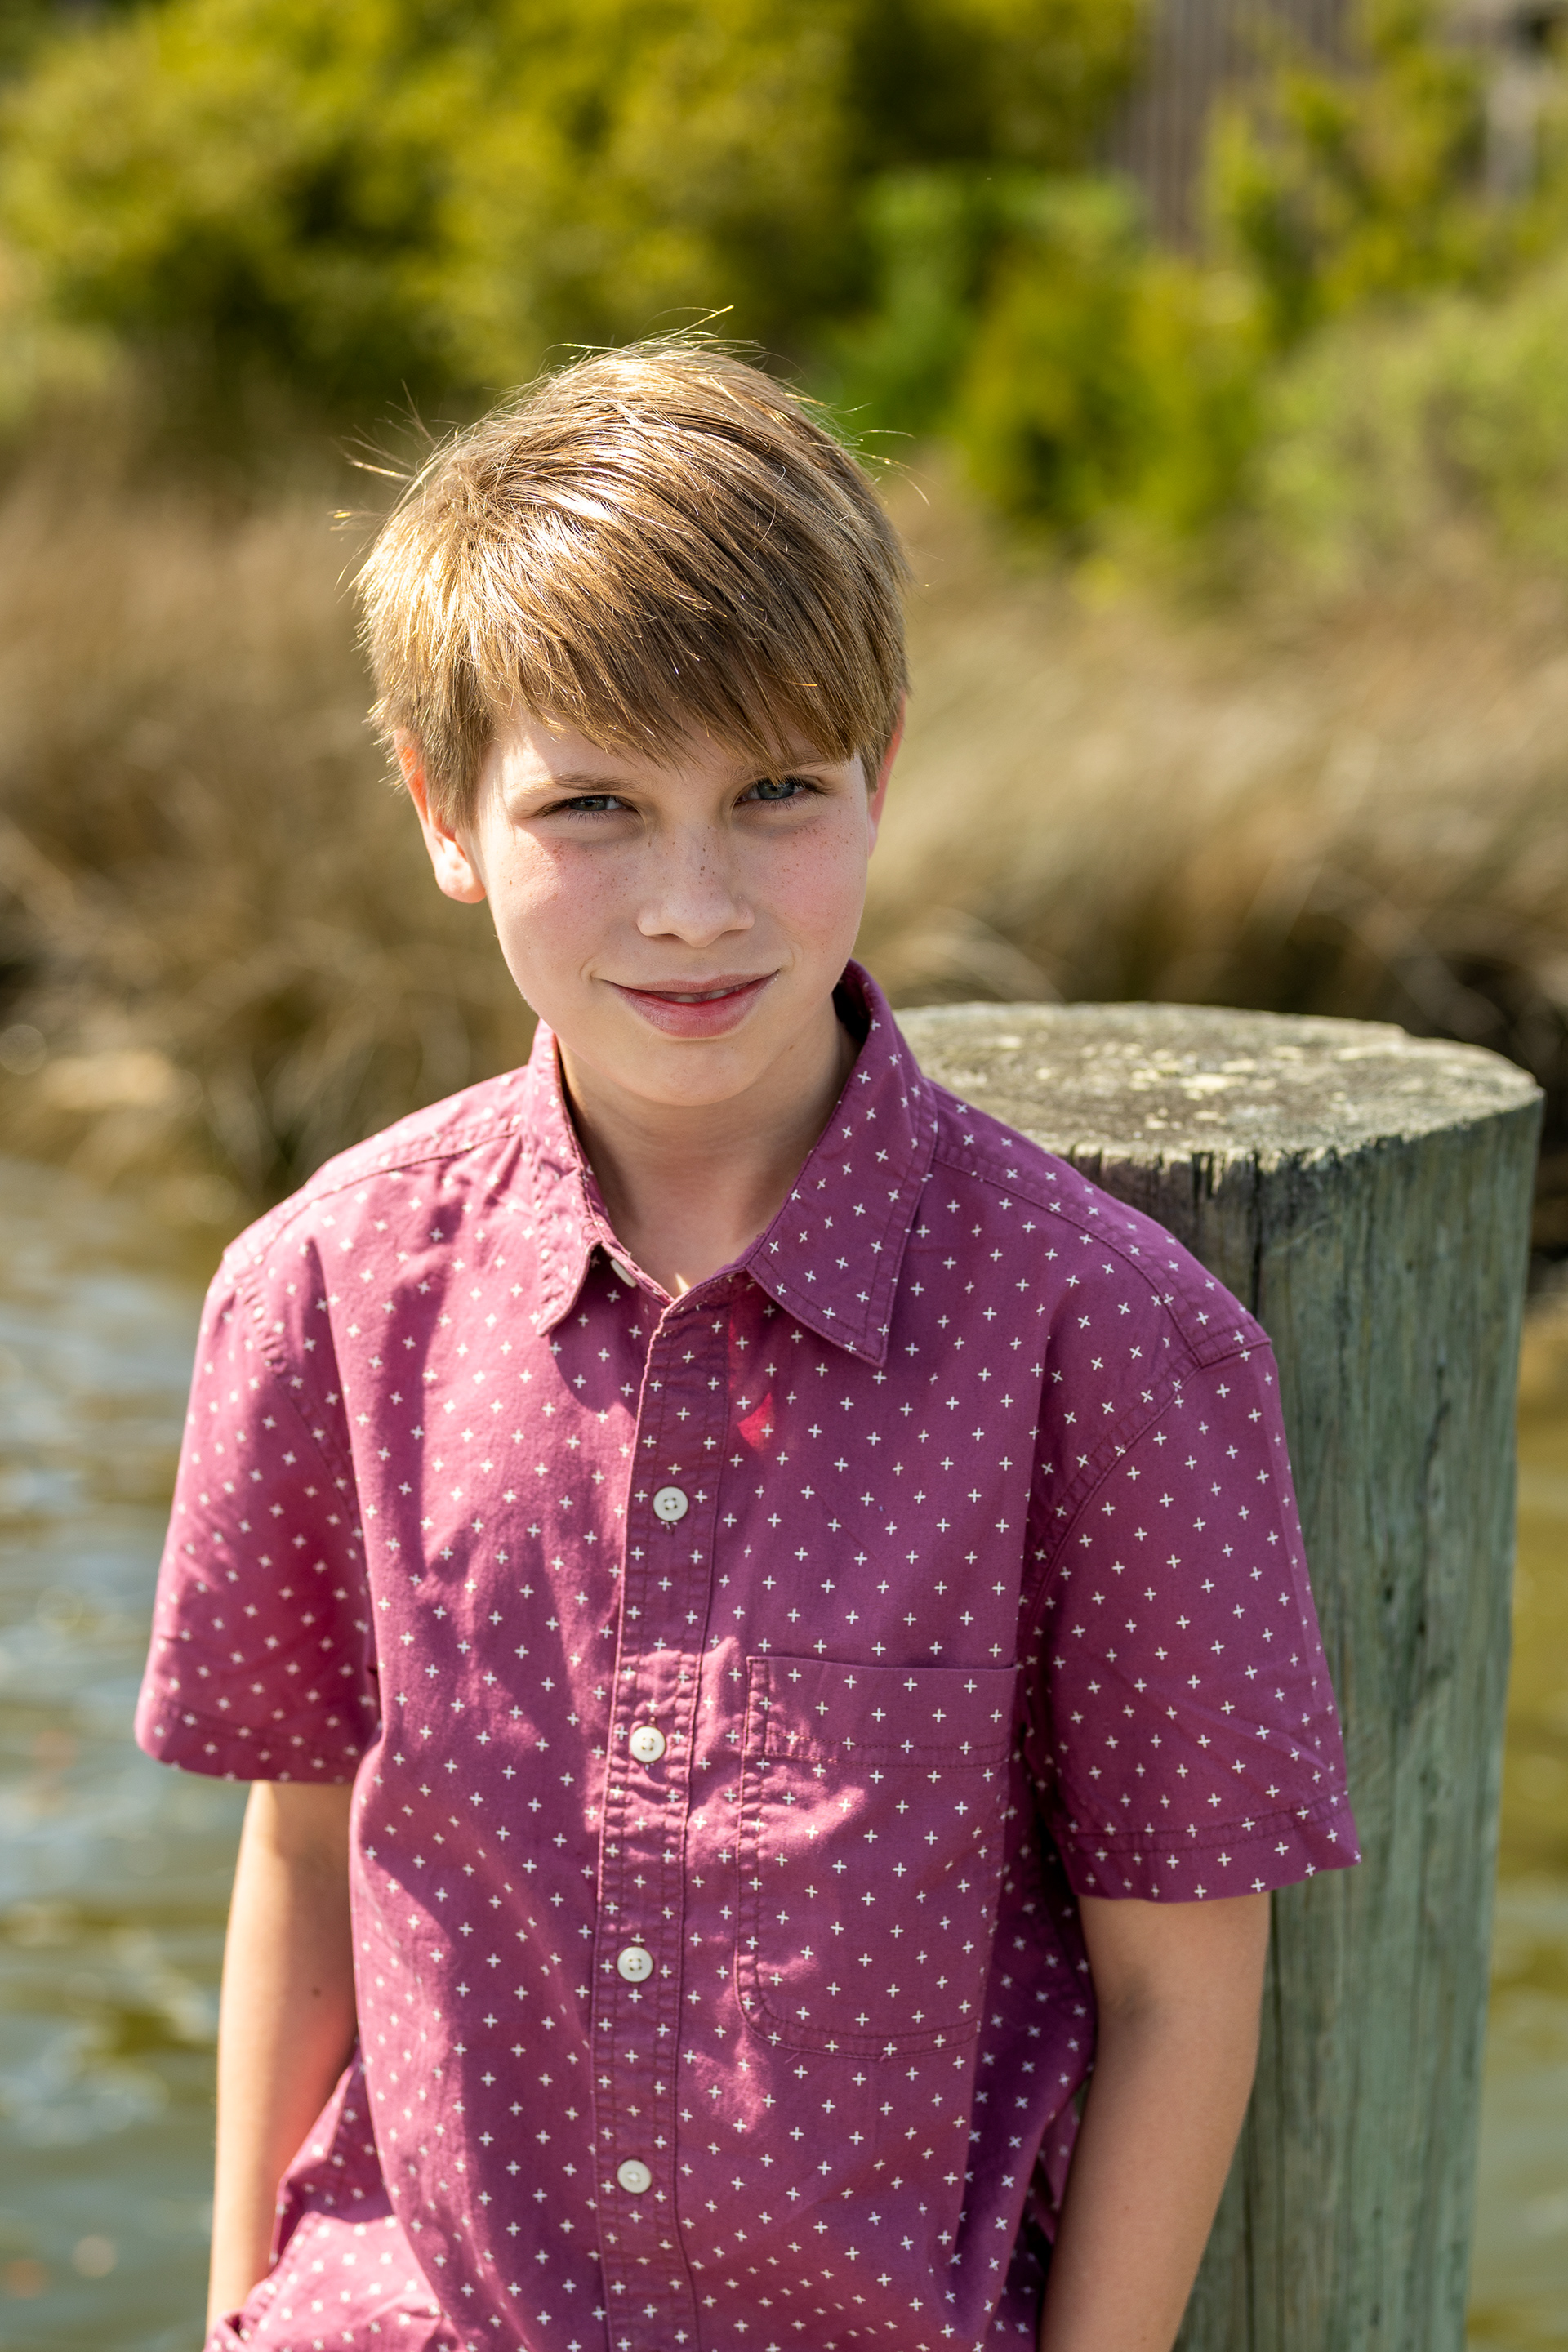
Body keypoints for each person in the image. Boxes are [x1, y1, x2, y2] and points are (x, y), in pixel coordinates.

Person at [136, 339, 1358, 2352]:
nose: (692, 907)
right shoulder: (324, 1293)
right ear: (445, 809)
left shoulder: (1113, 1343)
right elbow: (306, 1846)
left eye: (774, 792)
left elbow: (1182, 1986)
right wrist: (229, 2312)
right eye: (594, 807)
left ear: (883, 763)